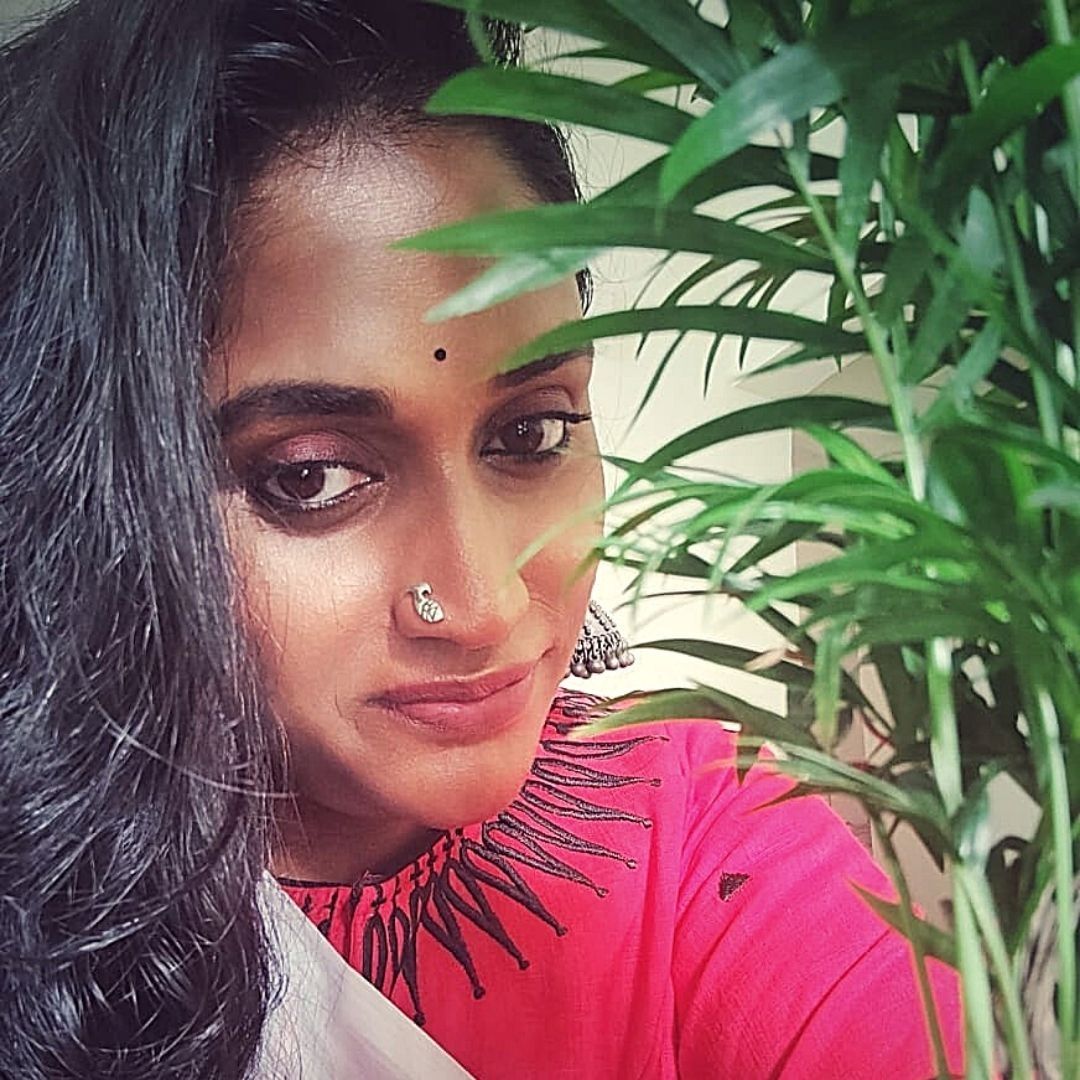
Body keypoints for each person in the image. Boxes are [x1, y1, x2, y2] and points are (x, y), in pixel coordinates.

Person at [0, 1, 965, 1077]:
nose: (484, 605)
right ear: (85, 495)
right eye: (311, 476)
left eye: (531, 433)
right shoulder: (38, 900)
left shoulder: (709, 836)